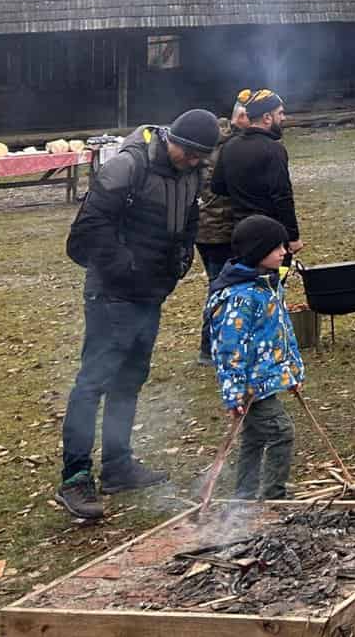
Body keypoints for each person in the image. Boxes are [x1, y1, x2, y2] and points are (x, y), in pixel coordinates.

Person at [55, 109, 220, 521]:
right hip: (112, 294)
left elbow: (188, 224)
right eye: (190, 152)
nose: (195, 161)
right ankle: (75, 476)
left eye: (202, 156)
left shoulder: (192, 174)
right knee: (93, 382)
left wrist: (177, 265)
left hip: (150, 294)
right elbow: (89, 230)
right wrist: (125, 268)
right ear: (172, 139)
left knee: (131, 379)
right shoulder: (127, 166)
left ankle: (117, 465)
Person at [206, 214, 304, 500]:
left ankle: (245, 496)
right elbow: (229, 351)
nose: (284, 252)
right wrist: (234, 394)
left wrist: (292, 374)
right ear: (257, 251)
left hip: (269, 378)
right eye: (277, 248)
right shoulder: (239, 298)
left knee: (254, 438)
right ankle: (274, 496)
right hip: (252, 386)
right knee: (281, 432)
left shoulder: (269, 286)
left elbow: (282, 333)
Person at [194, 93, 250, 367]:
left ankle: (217, 345)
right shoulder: (228, 147)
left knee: (218, 286)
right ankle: (210, 348)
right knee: (220, 289)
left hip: (203, 229)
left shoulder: (208, 143)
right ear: (240, 118)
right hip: (219, 229)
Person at [211, 90, 302, 256]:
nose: (284, 118)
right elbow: (282, 196)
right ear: (267, 117)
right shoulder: (274, 149)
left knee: (248, 277)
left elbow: (217, 186)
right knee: (272, 279)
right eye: (280, 113)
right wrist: (293, 236)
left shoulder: (229, 146)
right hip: (271, 232)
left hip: (241, 231)